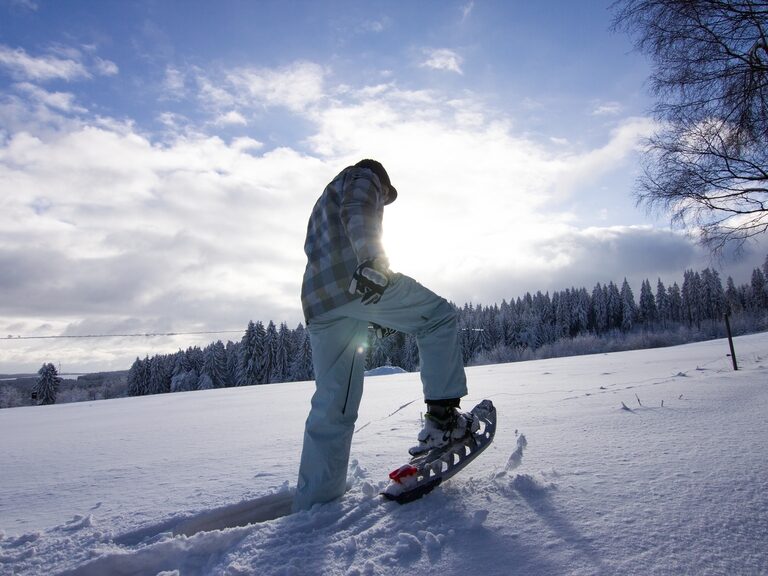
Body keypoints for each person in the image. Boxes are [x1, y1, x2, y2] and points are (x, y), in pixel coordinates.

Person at [293, 159, 477, 511]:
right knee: (438, 317)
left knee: (335, 404)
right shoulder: (363, 177)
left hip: (320, 304)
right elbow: (359, 209)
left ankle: (315, 501)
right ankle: (444, 422)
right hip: (355, 283)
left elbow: (328, 243)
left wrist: (371, 310)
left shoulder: (322, 201)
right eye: (385, 197)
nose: (383, 202)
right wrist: (373, 262)